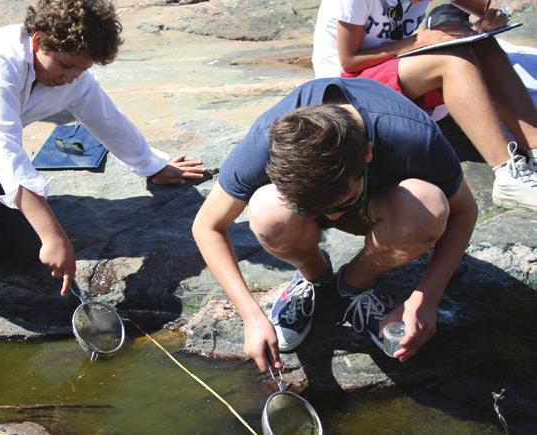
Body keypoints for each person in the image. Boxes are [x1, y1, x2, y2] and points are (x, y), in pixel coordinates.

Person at [0, 0, 206, 291]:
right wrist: (54, 234)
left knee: (18, 249)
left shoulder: (74, 77)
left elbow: (108, 120)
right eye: (66, 66)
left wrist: (153, 165)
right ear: (39, 40)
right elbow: (5, 146)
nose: (70, 78)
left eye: (81, 70)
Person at [192, 77, 478, 371]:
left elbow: (464, 211)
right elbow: (207, 226)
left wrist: (426, 298)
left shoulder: (411, 136)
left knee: (427, 207)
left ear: (368, 153)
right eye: (318, 211)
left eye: (340, 204)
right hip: (316, 213)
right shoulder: (265, 143)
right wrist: (251, 315)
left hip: (384, 207)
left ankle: (355, 284)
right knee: (268, 212)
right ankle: (314, 276)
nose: (333, 220)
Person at [312, 0, 537, 211]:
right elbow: (349, 60)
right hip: (346, 85)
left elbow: (488, 7)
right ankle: (509, 175)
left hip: (396, 63)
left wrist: (495, 15)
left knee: (483, 43)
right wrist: (420, 41)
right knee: (453, 60)